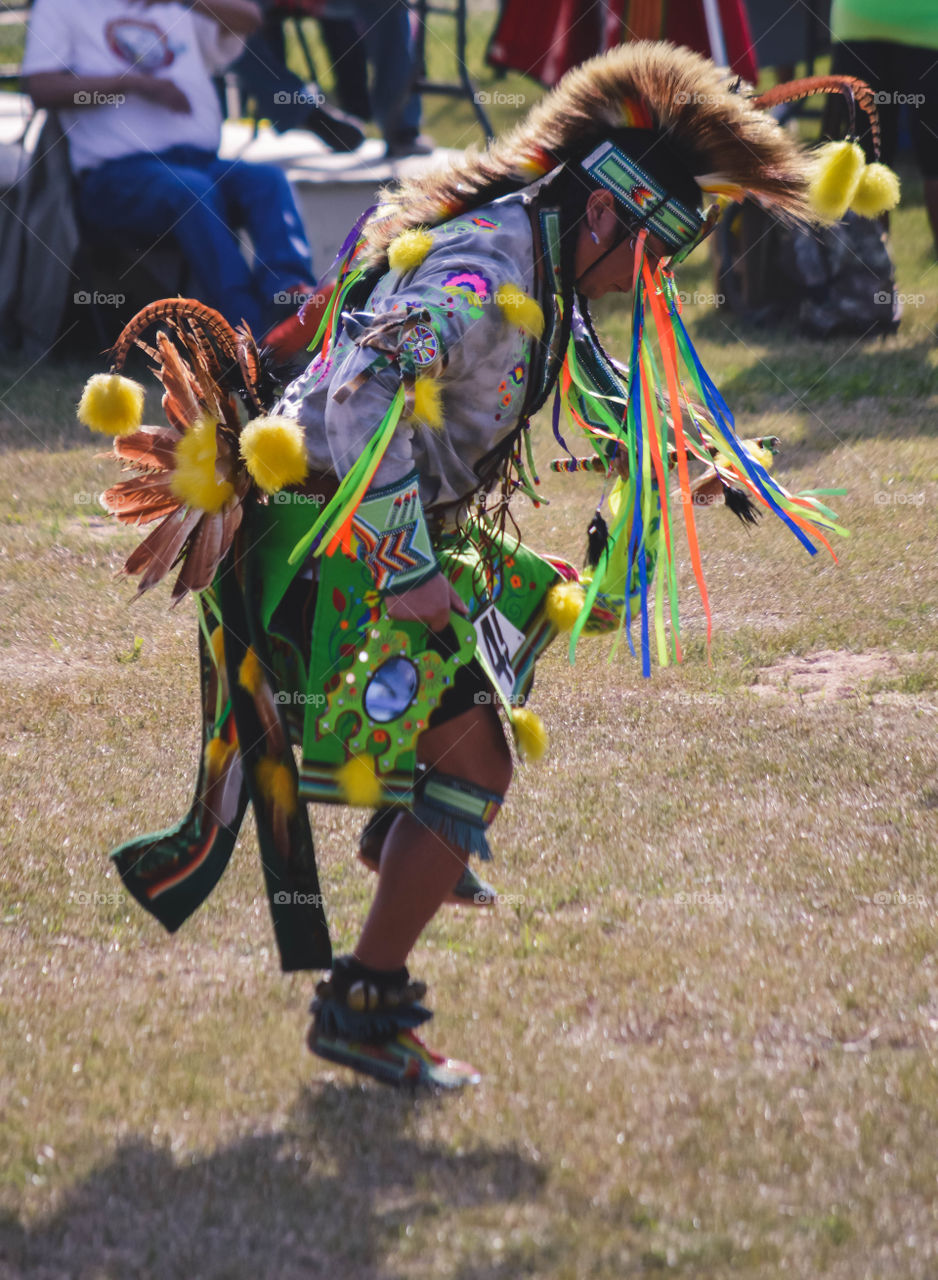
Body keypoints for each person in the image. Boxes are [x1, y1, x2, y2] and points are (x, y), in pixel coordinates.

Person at [81, 42, 866, 1089]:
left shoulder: (543, 259)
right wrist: (405, 564)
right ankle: (364, 997)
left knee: (533, 602)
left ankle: (402, 838)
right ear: (603, 213)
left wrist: (685, 457)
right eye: (650, 252)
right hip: (323, 533)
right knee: (481, 760)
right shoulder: (485, 270)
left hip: (369, 523)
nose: (650, 279)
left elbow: (589, 377)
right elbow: (360, 388)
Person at [22, 0, 318, 345]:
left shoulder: (179, 6)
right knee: (191, 190)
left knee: (267, 181)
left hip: (199, 164)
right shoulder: (61, 6)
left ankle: (291, 302)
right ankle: (248, 329)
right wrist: (134, 84)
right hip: (114, 178)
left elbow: (249, 18)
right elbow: (40, 88)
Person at [827, 0, 938, 252]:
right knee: (870, 161)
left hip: (860, 21)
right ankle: (872, 270)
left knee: (868, 159)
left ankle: (872, 271)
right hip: (921, 24)